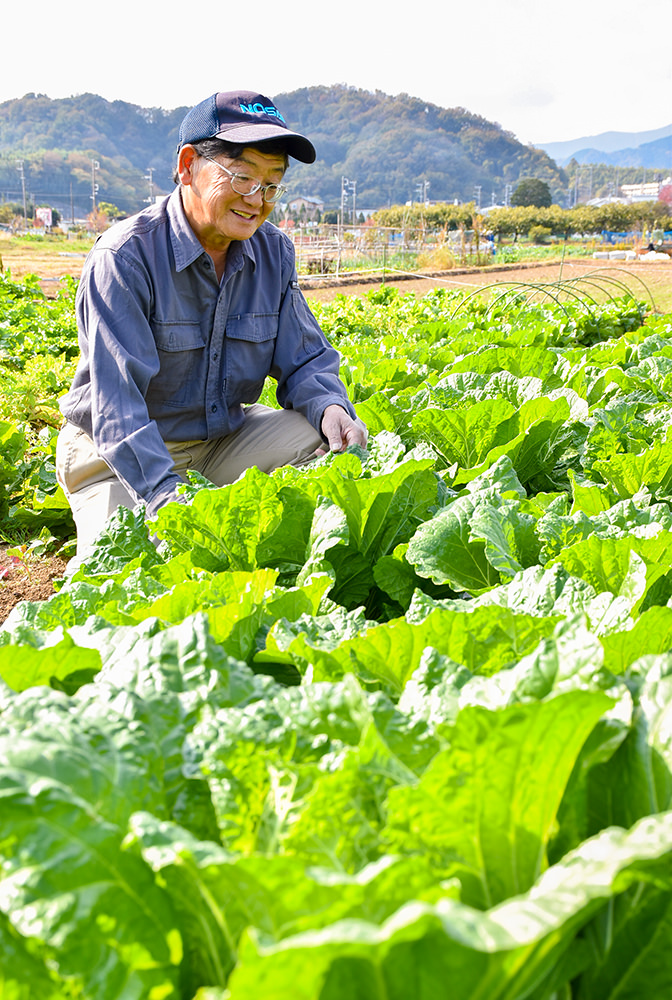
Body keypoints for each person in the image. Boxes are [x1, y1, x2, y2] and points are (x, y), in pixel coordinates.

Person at [56, 90, 367, 560]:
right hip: (117, 455)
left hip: (219, 444)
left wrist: (329, 406)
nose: (256, 201)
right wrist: (169, 501)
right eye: (242, 178)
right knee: (117, 572)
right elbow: (118, 409)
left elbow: (305, 357)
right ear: (187, 166)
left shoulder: (273, 252)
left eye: (271, 184)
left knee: (319, 437)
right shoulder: (125, 258)